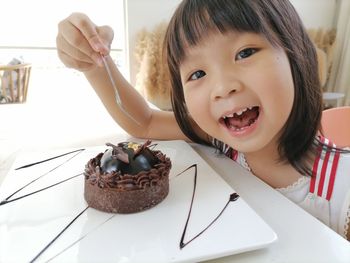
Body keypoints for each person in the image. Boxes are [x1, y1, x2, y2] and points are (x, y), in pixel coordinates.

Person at [56, 0, 350, 240]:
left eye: (245, 53)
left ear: (296, 52)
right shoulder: (222, 140)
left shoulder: (343, 189)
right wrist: (95, 64)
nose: (222, 87)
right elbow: (143, 122)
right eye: (197, 74)